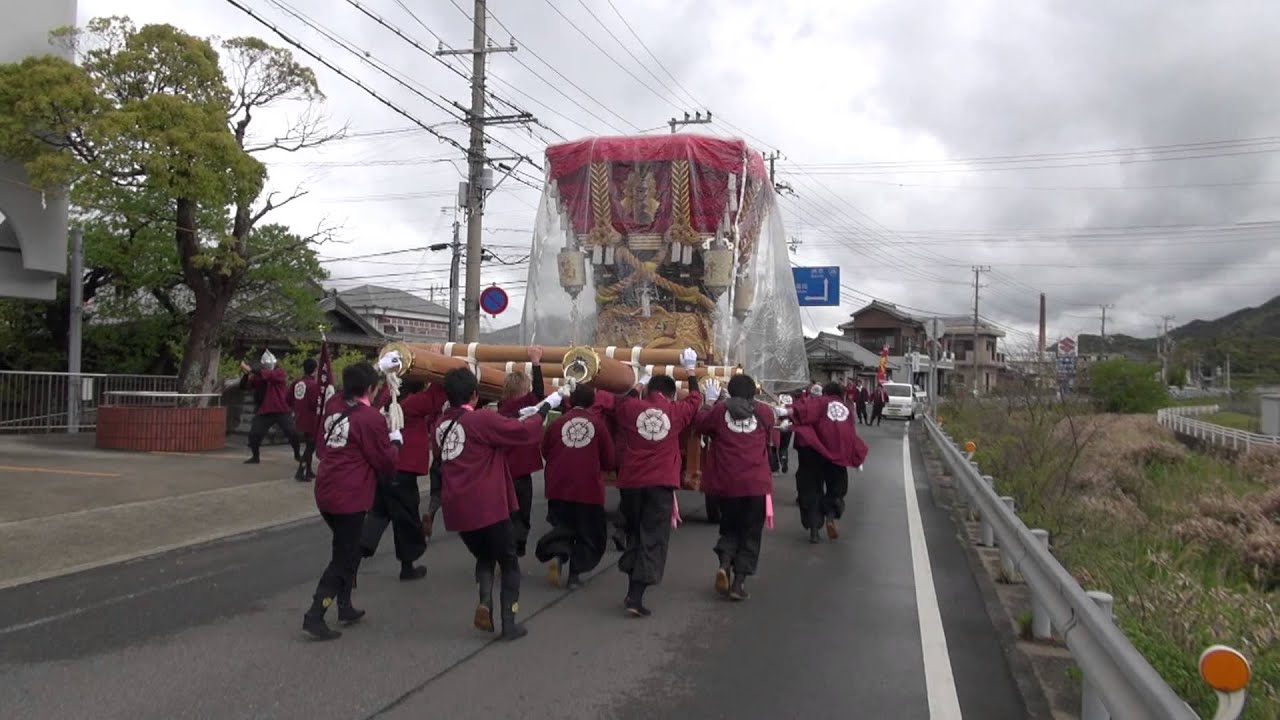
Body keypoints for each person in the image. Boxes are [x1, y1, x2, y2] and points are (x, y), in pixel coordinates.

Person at [433, 367, 564, 641]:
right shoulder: (480, 419)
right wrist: (545, 408)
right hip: (487, 505)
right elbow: (524, 432)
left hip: (457, 507)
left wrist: (522, 413)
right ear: (474, 394)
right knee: (509, 562)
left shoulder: (440, 424)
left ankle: (485, 602)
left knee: (484, 555)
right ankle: (509, 622)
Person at [596, 349, 702, 617]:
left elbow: (619, 400)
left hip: (631, 483)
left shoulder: (631, 407)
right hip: (660, 484)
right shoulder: (676, 411)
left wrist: (637, 383)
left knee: (635, 532)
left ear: (648, 390)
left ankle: (631, 586)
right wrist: (691, 371)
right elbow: (695, 400)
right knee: (652, 537)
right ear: (670, 394)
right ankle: (635, 595)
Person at [302, 360, 403, 640]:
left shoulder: (334, 405)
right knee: (344, 557)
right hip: (350, 495)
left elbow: (357, 400)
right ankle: (315, 614)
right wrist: (396, 442)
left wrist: (378, 371)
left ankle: (345, 605)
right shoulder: (370, 419)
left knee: (346, 548)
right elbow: (385, 462)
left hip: (326, 489)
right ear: (369, 388)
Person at [695, 375, 775, 601]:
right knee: (751, 532)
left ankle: (724, 563)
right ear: (753, 392)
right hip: (756, 483)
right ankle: (738, 583)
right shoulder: (764, 412)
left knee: (730, 527)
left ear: (729, 390)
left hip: (727, 482)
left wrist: (709, 402)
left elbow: (700, 425)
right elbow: (769, 434)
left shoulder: (719, 411)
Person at [359, 379, 446, 581]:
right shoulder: (411, 403)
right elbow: (436, 396)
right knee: (406, 519)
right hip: (402, 470)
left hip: (386, 467)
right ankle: (406, 567)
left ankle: (353, 562)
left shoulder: (387, 397)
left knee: (379, 515)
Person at [535, 383, 614, 589]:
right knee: (588, 534)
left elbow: (545, 450)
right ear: (592, 402)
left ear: (570, 401)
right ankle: (574, 576)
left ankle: (558, 554)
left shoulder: (557, 423)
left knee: (563, 526)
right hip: (588, 489)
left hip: (558, 486)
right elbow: (609, 459)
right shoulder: (598, 425)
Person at [782, 382, 869, 544]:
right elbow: (850, 433)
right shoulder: (846, 408)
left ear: (825, 393)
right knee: (836, 489)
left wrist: (786, 413)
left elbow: (804, 411)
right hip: (837, 454)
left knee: (811, 489)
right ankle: (830, 515)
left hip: (814, 451)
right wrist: (855, 457)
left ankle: (814, 529)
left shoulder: (821, 402)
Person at [495, 347, 547, 557]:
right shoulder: (527, 404)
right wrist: (536, 362)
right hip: (522, 472)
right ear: (524, 390)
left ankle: (506, 545)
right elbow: (540, 392)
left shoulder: (501, 409)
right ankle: (519, 545)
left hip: (503, 471)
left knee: (506, 511)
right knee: (522, 511)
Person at [241, 349, 301, 465]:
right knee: (254, 434)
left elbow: (269, 375)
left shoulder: (279, 373)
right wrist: (246, 374)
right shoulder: (260, 376)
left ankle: (297, 455)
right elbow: (244, 386)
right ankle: (255, 457)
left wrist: (250, 369)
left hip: (281, 409)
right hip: (265, 410)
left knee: (292, 432)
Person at [292, 358, 321, 482]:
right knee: (310, 447)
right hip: (311, 420)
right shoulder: (313, 385)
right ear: (315, 370)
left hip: (300, 417)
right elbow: (315, 403)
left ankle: (308, 470)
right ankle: (301, 471)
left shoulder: (297, 383)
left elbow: (288, 398)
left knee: (309, 445)